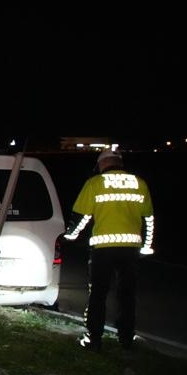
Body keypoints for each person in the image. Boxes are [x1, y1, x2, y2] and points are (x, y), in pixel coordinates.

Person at [63, 148, 154, 351]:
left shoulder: (95, 183)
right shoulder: (139, 183)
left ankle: (93, 339)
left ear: (102, 164)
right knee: (127, 295)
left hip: (103, 248)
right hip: (130, 248)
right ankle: (126, 338)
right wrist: (147, 245)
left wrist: (70, 235)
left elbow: (81, 216)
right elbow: (148, 218)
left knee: (98, 294)